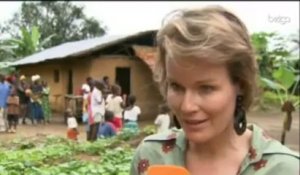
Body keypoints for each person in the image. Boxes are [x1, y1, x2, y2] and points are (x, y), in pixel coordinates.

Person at [130, 6, 299, 175]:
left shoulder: (283, 169)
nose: (187, 106)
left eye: (206, 88)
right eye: (176, 86)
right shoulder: (151, 156)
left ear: (240, 84)